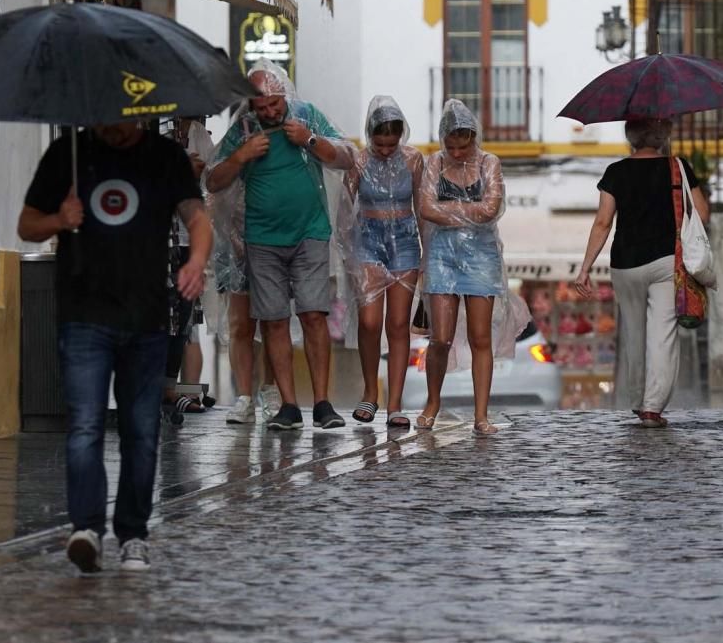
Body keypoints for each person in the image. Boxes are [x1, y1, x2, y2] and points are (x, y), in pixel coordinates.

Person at [18, 121, 211, 574]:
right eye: (106, 118)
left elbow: (197, 218)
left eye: (125, 119)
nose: (116, 129)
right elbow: (27, 224)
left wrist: (197, 262)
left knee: (141, 433)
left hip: (145, 318)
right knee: (84, 425)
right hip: (84, 314)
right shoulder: (68, 154)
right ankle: (85, 528)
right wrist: (58, 221)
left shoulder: (164, 157)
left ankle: (133, 535)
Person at [207, 60, 354, 431]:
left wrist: (309, 139)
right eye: (262, 107)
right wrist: (241, 156)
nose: (269, 112)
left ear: (284, 95)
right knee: (272, 320)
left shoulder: (306, 116)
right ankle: (288, 405)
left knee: (314, 315)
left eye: (274, 104)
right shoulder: (243, 128)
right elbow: (213, 181)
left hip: (310, 233)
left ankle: (322, 403)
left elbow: (347, 156)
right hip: (261, 239)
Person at [572, 117, 709, 428]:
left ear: (630, 137)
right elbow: (702, 213)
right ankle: (652, 407)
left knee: (634, 332)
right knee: (663, 335)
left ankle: (636, 398)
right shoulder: (678, 167)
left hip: (626, 264)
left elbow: (603, 223)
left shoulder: (616, 172)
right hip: (665, 262)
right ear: (662, 136)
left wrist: (584, 269)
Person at [417, 100, 510, 436]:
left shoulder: (489, 163)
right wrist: (467, 210)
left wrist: (449, 210)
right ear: (444, 141)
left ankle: (481, 414)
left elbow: (491, 208)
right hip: (442, 253)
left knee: (480, 336)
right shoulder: (433, 163)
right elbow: (425, 207)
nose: (457, 153)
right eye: (451, 146)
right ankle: (432, 401)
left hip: (481, 255)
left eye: (464, 145)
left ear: (475, 139)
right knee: (440, 337)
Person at [336, 97, 424, 428]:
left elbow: (421, 204)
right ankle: (370, 391)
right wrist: (346, 249)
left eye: (391, 144)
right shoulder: (358, 162)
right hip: (368, 241)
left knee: (399, 324)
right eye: (380, 143)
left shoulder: (414, 160)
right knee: (370, 321)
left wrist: (426, 250)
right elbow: (345, 209)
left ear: (401, 137)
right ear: (370, 136)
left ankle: (395, 403)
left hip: (404, 241)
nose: (386, 150)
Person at [209, 101, 280, 426]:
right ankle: (244, 396)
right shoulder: (232, 152)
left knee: (272, 321)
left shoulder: (274, 147)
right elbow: (215, 192)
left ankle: (271, 390)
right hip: (235, 247)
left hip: (270, 242)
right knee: (240, 324)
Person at [163, 116, 217, 424]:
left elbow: (212, 181)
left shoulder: (198, 137)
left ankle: (172, 387)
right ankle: (160, 387)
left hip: (186, 239)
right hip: (157, 236)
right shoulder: (155, 139)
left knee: (183, 319)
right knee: (162, 318)